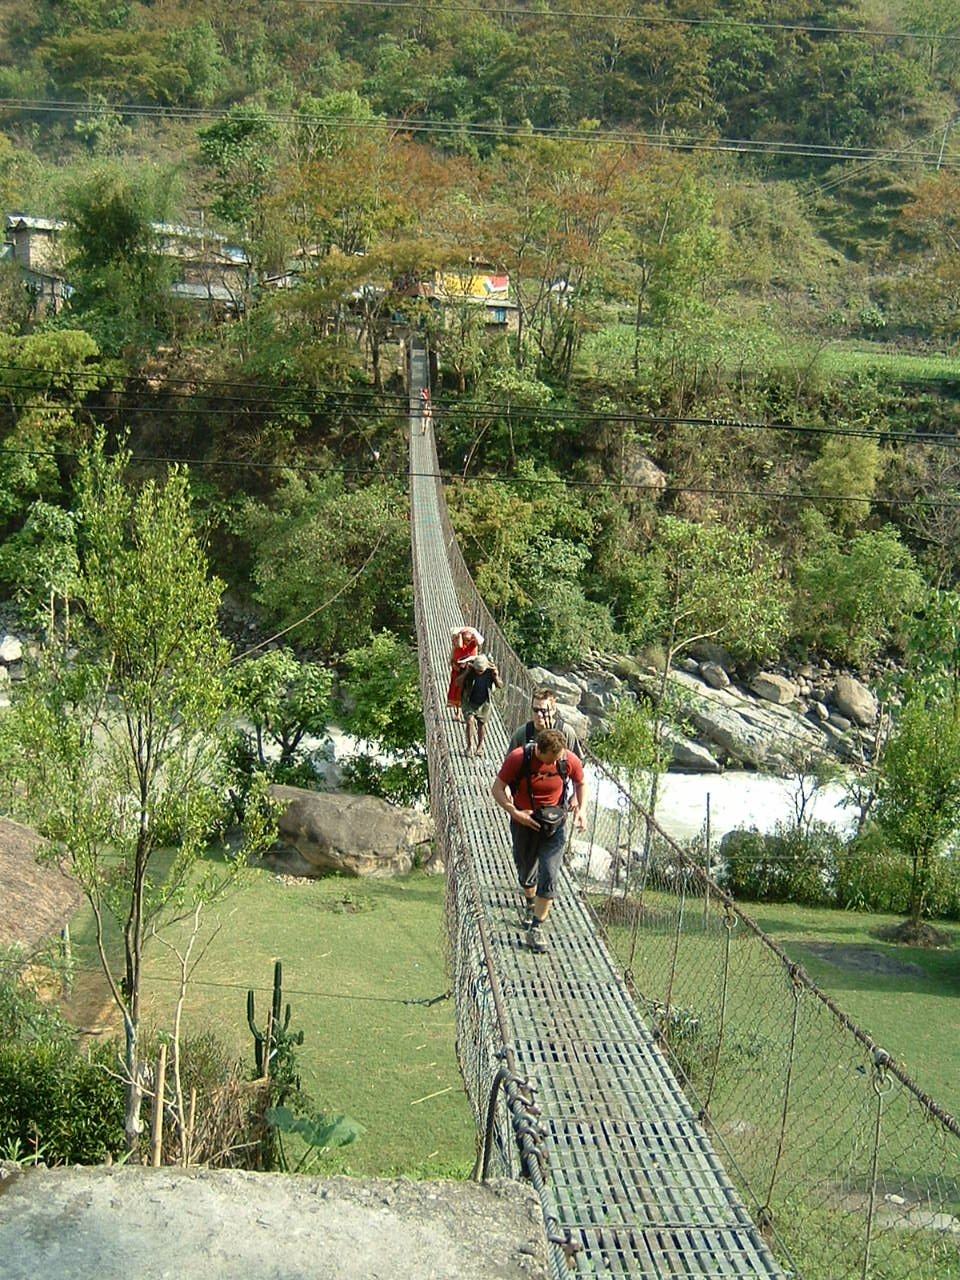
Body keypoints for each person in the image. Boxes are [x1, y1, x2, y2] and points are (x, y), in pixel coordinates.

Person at [492, 727, 587, 953]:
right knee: (526, 871)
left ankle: (536, 927)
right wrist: (515, 812)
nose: (555, 763)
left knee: (550, 873)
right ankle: (530, 901)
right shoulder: (518, 758)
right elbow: (497, 789)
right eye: (551, 759)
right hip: (524, 822)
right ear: (539, 751)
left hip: (554, 824)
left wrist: (582, 809)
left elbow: (581, 782)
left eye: (558, 758)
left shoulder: (566, 759)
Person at [508, 687, 584, 758]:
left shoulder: (566, 732)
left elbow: (578, 762)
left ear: (553, 709)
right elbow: (509, 762)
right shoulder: (522, 734)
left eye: (543, 711)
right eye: (536, 710)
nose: (539, 714)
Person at [459, 654, 502, 756]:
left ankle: (480, 746)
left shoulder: (490, 672)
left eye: (481, 670)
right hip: (469, 701)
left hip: (484, 702)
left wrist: (495, 676)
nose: (479, 672)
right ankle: (470, 746)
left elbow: (500, 685)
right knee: (469, 721)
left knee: (481, 724)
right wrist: (466, 673)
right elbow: (457, 683)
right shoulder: (469, 670)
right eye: (477, 670)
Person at [447, 625, 482, 720]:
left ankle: (468, 714)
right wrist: (452, 662)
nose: (467, 640)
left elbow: (480, 642)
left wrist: (474, 634)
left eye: (469, 639)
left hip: (469, 669)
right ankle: (458, 713)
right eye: (466, 638)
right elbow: (456, 649)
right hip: (458, 668)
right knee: (457, 690)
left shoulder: (474, 642)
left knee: (468, 690)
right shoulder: (458, 641)